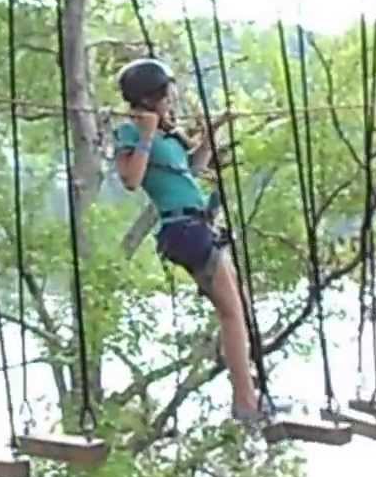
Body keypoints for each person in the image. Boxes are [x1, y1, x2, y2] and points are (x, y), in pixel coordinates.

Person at [112, 57, 277, 425]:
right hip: (184, 229)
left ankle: (247, 393)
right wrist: (145, 135)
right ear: (150, 96)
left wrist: (213, 132)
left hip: (197, 225)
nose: (171, 102)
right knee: (233, 314)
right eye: (166, 96)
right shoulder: (132, 131)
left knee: (239, 309)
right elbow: (131, 180)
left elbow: (192, 168)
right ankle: (246, 402)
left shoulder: (163, 132)